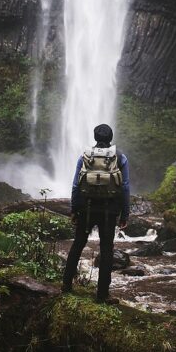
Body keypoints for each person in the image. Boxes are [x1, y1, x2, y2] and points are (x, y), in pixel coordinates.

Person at [62, 123, 130, 304]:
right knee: (107, 249)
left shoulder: (85, 157)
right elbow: (124, 187)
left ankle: (66, 286)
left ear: (95, 137)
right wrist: (125, 214)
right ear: (111, 138)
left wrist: (74, 210)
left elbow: (76, 185)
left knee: (78, 244)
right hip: (109, 210)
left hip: (87, 208)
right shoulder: (120, 157)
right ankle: (102, 294)